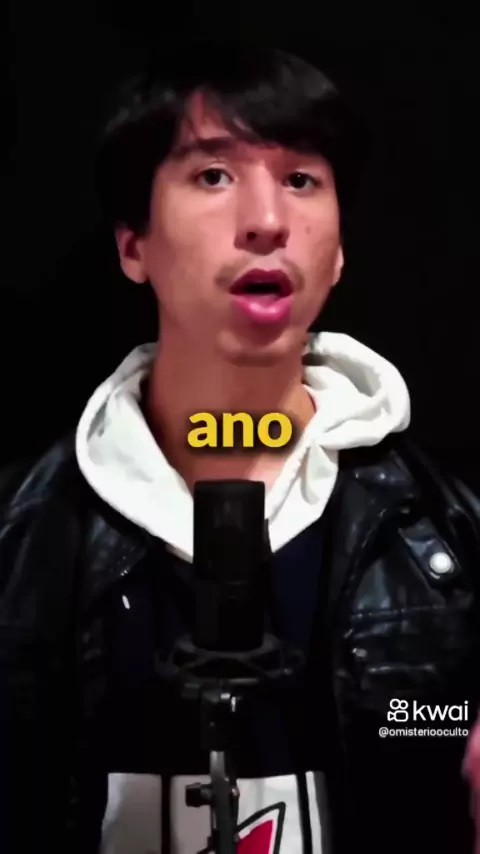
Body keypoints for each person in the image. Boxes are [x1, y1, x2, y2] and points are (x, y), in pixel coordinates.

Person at [0, 38, 479, 854]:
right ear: (133, 244)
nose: (267, 221)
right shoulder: (22, 542)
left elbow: (431, 741)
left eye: (302, 180)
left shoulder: (451, 541)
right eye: (214, 175)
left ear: (339, 250)